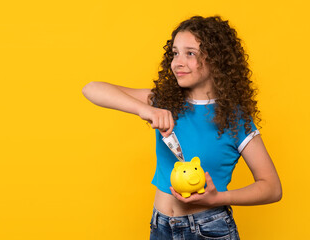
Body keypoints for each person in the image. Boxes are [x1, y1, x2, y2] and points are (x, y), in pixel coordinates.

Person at [82, 15, 282, 240]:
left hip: (209, 229)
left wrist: (217, 198)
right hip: (160, 225)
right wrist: (146, 110)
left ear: (216, 59)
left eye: (190, 53)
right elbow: (91, 89)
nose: (178, 62)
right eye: (175, 53)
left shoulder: (235, 119)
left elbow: (272, 188)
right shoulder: (165, 101)